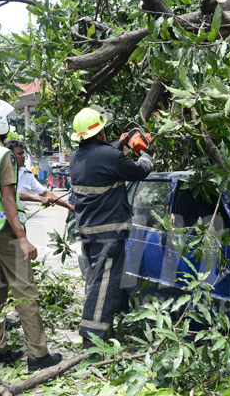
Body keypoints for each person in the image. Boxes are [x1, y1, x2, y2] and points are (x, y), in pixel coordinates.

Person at [0, 98, 61, 371]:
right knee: (25, 292)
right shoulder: (2, 155)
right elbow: (8, 200)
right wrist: (23, 238)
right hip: (7, 231)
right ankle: (38, 355)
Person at [69, 106, 154, 347]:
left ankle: (94, 332)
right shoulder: (108, 156)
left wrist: (120, 144)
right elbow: (139, 171)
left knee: (96, 279)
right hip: (108, 231)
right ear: (99, 132)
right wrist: (148, 156)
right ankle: (91, 339)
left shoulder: (78, 157)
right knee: (103, 284)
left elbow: (103, 160)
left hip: (88, 229)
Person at [4, 139, 74, 212]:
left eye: (23, 153)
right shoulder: (2, 173)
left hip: (19, 217)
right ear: (10, 156)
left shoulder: (26, 174)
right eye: (20, 154)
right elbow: (15, 194)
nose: (23, 156)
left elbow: (46, 193)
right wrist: (40, 199)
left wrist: (69, 207)